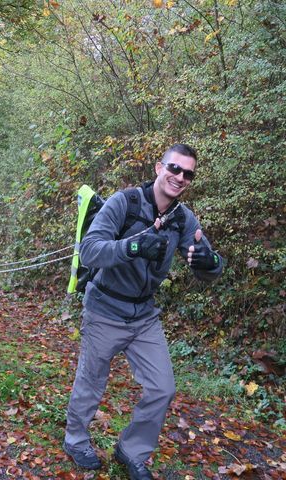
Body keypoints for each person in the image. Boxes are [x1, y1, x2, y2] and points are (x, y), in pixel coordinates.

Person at [62, 144, 224, 480]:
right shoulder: (125, 202)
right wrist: (133, 245)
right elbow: (90, 250)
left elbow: (207, 265)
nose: (179, 177)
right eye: (174, 168)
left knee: (163, 388)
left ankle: (131, 451)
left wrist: (211, 264)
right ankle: (76, 439)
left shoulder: (182, 218)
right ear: (158, 167)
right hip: (105, 307)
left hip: (143, 315)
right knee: (91, 382)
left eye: (188, 173)